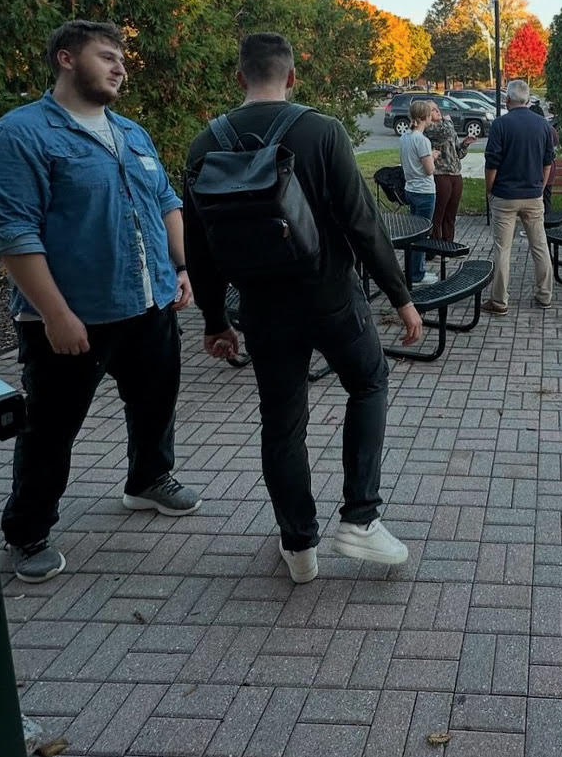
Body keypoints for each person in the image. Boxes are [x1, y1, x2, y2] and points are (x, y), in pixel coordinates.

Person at [184, 33, 423, 584]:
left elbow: (200, 246)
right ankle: (361, 518)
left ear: (240, 76)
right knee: (368, 382)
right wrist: (401, 297)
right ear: (291, 77)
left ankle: (299, 546)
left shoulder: (205, 145)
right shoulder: (320, 131)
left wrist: (215, 321)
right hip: (330, 297)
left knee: (282, 423)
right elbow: (363, 222)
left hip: (262, 309)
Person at [0, 20, 201, 584]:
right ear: (66, 59)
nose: (120, 67)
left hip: (149, 305)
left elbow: (167, 202)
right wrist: (55, 313)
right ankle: (27, 532)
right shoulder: (21, 134)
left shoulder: (131, 133)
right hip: (72, 318)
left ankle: (147, 481)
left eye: (123, 58)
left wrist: (180, 267)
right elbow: (12, 233)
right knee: (52, 428)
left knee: (155, 404)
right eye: (107, 56)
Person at [483, 78, 555, 314]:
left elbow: (492, 162)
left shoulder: (500, 125)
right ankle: (544, 295)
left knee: (503, 249)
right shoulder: (543, 125)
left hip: (505, 196)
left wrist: (490, 188)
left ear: (508, 100)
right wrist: (540, 188)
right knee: (539, 245)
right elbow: (547, 163)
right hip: (533, 195)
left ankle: (500, 301)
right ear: (528, 99)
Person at [400, 99, 438, 285]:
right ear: (424, 117)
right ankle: (417, 275)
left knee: (412, 233)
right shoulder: (422, 140)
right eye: (430, 114)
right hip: (424, 191)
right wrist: (433, 156)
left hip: (410, 189)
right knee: (421, 234)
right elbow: (429, 169)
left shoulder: (404, 138)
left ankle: (413, 271)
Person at [424, 100, 474, 243]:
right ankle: (435, 246)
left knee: (451, 214)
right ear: (427, 114)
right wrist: (449, 122)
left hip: (455, 174)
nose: (438, 111)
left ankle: (448, 243)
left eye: (437, 108)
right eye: (433, 110)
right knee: (438, 214)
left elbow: (458, 153)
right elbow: (446, 133)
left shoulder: (447, 127)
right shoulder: (431, 129)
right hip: (441, 175)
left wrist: (465, 144)